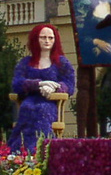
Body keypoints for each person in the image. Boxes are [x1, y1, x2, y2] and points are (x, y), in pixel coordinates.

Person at [6, 24, 75, 153]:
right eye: (43, 37)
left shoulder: (61, 63)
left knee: (42, 110)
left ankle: (42, 149)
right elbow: (16, 83)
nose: (47, 41)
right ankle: (22, 150)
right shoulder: (26, 62)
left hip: (51, 102)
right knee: (27, 108)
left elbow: (70, 84)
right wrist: (39, 85)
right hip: (30, 100)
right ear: (36, 39)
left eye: (50, 38)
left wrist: (54, 88)